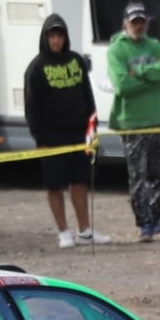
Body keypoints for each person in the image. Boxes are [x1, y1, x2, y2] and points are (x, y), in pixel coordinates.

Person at [23, 14, 110, 249]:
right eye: (52, 36)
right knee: (54, 185)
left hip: (79, 133)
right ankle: (63, 231)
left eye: (60, 36)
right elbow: (31, 106)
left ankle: (85, 230)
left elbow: (87, 95)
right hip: (51, 136)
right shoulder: (36, 67)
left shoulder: (76, 61)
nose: (56, 41)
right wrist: (39, 138)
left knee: (79, 181)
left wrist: (92, 127)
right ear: (45, 38)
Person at [106, 2, 160, 244]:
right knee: (138, 175)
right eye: (134, 21)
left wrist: (141, 72)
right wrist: (152, 77)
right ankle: (144, 225)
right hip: (132, 122)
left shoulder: (154, 44)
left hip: (157, 118)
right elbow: (122, 86)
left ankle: (157, 221)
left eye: (142, 21)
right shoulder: (116, 50)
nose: (138, 26)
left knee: (159, 173)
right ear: (126, 23)